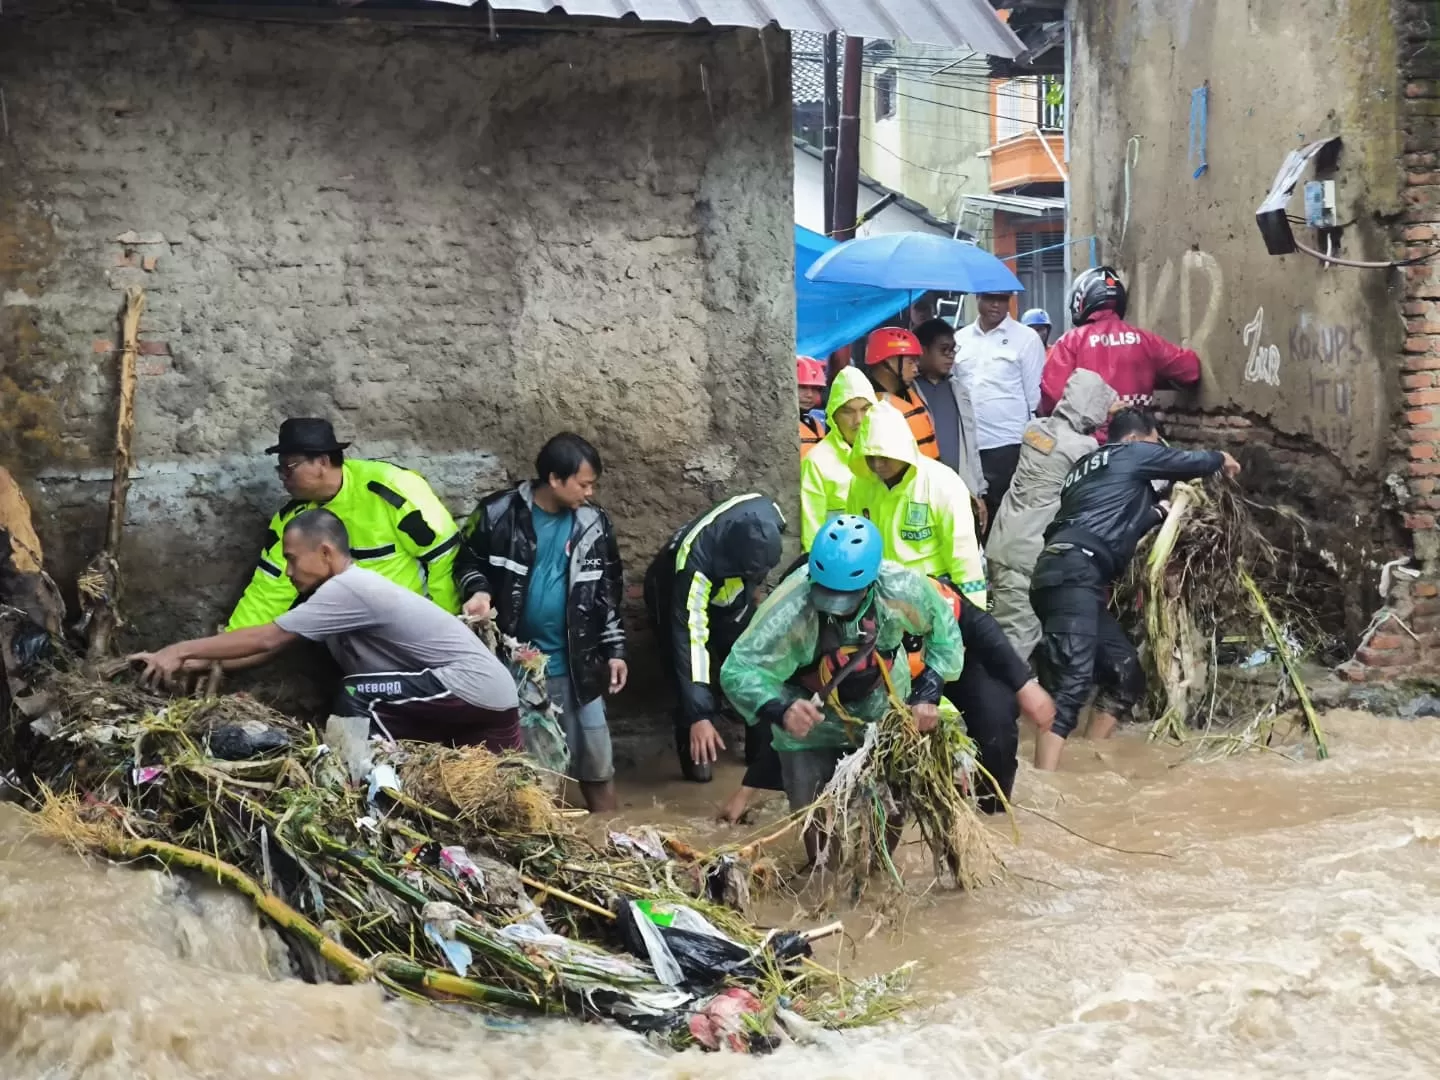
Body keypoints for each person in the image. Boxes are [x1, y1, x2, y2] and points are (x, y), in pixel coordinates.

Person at [132, 510, 522, 750]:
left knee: (357, 695)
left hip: (468, 688)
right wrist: (187, 664)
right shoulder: (330, 598)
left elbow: (266, 637)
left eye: (292, 559)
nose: (288, 571)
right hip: (489, 700)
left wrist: (178, 649)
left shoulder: (348, 588)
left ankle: (352, 792)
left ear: (324, 553)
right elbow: (268, 651)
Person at [719, 515, 964, 860]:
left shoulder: (901, 588)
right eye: (827, 595)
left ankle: (875, 872)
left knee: (890, 805)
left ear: (871, 583)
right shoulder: (790, 607)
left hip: (881, 710)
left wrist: (929, 692)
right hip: (809, 720)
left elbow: (946, 634)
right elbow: (738, 670)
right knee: (813, 815)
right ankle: (824, 874)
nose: (835, 606)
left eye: (846, 597)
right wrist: (780, 710)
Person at [1030, 408, 1241, 772]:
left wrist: (1159, 512)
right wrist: (1220, 458)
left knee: (1125, 674)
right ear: (1133, 439)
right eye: (1154, 444)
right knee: (1071, 684)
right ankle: (1042, 785)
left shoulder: (1083, 470)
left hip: (1061, 573)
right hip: (1074, 573)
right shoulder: (1128, 453)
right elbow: (1185, 462)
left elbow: (1114, 520)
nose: (1157, 451)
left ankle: (1086, 763)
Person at [454, 433, 626, 812]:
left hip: (579, 669)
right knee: (534, 778)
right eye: (584, 484)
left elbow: (608, 592)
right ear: (554, 479)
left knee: (598, 767)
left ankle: (610, 832)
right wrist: (479, 591)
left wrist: (615, 650)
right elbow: (465, 562)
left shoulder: (594, 523)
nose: (590, 493)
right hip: (518, 670)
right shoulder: (498, 513)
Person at [228, 418, 461, 631]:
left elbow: (445, 558)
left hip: (412, 624)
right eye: (280, 469)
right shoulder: (292, 520)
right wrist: (228, 645)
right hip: (347, 634)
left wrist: (444, 628)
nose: (282, 477)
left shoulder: (391, 489)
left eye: (289, 468)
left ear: (322, 462)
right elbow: (268, 591)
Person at [644, 493, 786, 784]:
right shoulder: (694, 567)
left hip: (728, 593)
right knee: (691, 668)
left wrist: (751, 588)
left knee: (751, 661)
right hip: (673, 593)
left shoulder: (769, 516)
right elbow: (690, 642)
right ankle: (697, 745)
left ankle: (759, 752)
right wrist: (699, 715)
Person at [986, 370, 1118, 660]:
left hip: (1004, 541)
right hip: (1027, 555)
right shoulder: (1082, 448)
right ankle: (998, 689)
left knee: (1008, 627)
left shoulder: (1033, 429)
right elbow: (1105, 479)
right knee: (1014, 643)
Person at [844, 401, 986, 607]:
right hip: (881, 596)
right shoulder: (861, 486)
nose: (877, 464)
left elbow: (964, 558)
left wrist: (973, 611)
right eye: (870, 457)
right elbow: (854, 544)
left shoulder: (943, 484)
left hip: (935, 597)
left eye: (883, 457)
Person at [1040, 266, 1202, 437]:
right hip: (1137, 440)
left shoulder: (1070, 342)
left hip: (1089, 442)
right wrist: (1151, 373)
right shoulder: (1145, 340)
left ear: (1081, 300)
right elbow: (1190, 370)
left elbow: (1051, 398)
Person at [952, 292, 1047, 530]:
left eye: (1002, 299)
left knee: (1005, 519)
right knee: (970, 516)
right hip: (968, 446)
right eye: (989, 298)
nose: (996, 304)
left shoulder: (1026, 339)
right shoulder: (959, 339)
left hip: (1008, 445)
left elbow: (1034, 397)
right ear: (978, 298)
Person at [911, 317, 989, 535]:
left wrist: (978, 492)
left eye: (953, 349)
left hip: (961, 489)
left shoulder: (959, 391)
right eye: (943, 349)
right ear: (923, 351)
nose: (951, 356)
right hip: (921, 492)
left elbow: (971, 446)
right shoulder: (908, 392)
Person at [798, 366, 876, 550]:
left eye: (865, 409)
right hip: (839, 559)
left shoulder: (889, 454)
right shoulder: (817, 463)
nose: (858, 420)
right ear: (833, 416)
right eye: (848, 411)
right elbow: (812, 535)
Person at [861, 327, 940, 461]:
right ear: (887, 362)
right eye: (910, 362)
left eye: (916, 362)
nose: (915, 369)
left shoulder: (908, 394)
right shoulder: (868, 406)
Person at [797, 356, 829, 459]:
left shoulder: (815, 423)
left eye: (815, 388)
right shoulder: (778, 424)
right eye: (802, 387)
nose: (810, 394)